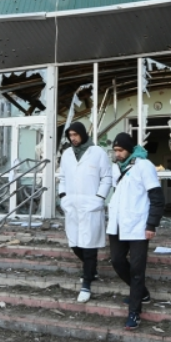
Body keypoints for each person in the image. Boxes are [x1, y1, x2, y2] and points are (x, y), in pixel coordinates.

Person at [107, 132, 165, 330]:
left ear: (130, 149)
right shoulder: (117, 168)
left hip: (139, 225)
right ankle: (142, 293)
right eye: (115, 150)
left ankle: (134, 312)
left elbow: (157, 198)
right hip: (118, 225)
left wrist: (151, 225)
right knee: (116, 260)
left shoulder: (144, 166)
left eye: (121, 150)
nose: (118, 154)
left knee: (137, 270)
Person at [58, 122, 112, 303]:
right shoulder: (66, 155)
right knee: (74, 243)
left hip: (91, 205)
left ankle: (86, 283)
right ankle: (92, 269)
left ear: (82, 134)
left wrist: (99, 198)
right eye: (70, 135)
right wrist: (63, 197)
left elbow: (106, 177)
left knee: (89, 247)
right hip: (72, 205)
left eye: (75, 134)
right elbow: (62, 178)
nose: (72, 138)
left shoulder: (98, 153)